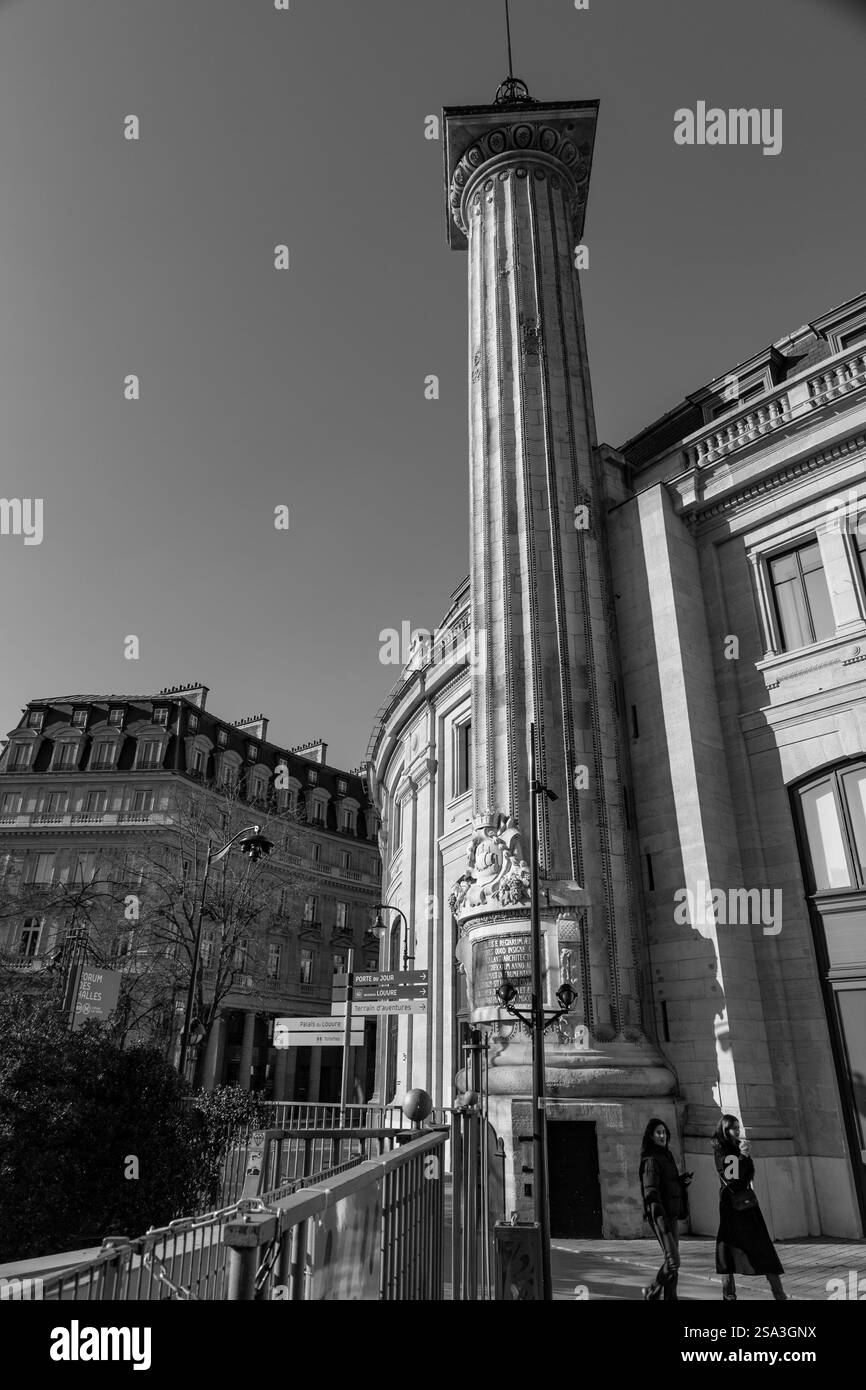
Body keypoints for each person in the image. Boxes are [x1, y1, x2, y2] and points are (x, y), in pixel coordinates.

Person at [713, 1114, 787, 1300]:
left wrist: (743, 1155)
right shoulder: (723, 1149)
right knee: (728, 1250)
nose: (737, 1131)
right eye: (733, 1128)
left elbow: (745, 1176)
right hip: (732, 1207)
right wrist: (743, 1156)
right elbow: (732, 1176)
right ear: (724, 1130)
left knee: (763, 1247)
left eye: (738, 1127)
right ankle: (729, 1294)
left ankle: (779, 1294)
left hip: (746, 1205)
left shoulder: (736, 1147)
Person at [639, 1117, 692, 1300]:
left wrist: (681, 1182)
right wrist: (658, 1217)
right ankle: (652, 1290)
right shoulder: (651, 1160)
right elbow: (651, 1191)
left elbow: (667, 1184)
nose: (662, 1136)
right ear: (651, 1136)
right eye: (658, 1133)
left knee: (672, 1262)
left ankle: (670, 1297)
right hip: (660, 1216)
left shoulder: (666, 1155)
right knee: (673, 1261)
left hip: (671, 1214)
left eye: (664, 1132)